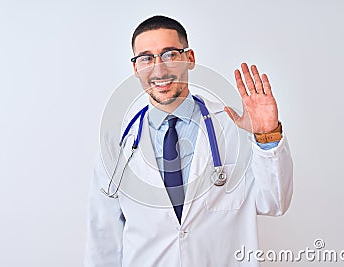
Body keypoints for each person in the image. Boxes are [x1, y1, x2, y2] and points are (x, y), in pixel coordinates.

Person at [85, 15, 293, 267]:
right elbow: (104, 240)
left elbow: (274, 203)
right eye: (146, 58)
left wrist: (267, 136)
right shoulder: (117, 144)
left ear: (189, 58)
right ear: (136, 68)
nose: (158, 69)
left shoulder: (233, 127)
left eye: (170, 54)